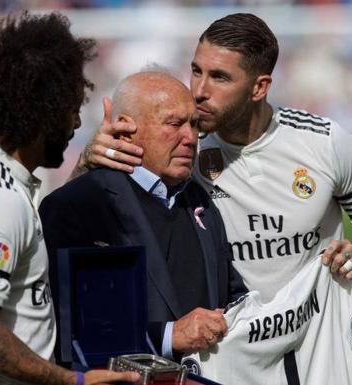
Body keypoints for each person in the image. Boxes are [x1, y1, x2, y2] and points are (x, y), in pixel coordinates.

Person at [72, 13, 352, 384]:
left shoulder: (323, 143)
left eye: (219, 77)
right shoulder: (181, 150)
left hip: (317, 353)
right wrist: (89, 159)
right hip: (225, 358)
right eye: (196, 70)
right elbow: (79, 214)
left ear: (259, 86)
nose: (199, 89)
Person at [0, 12, 139, 385]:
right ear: (44, 108)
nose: (75, 122)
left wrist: (84, 164)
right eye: (71, 107)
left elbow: (23, 241)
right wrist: (73, 381)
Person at [39, 70, 247, 364]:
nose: (190, 138)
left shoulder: (201, 201)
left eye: (194, 125)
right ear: (125, 129)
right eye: (174, 124)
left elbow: (232, 294)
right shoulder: (79, 205)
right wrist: (168, 336)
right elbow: (73, 332)